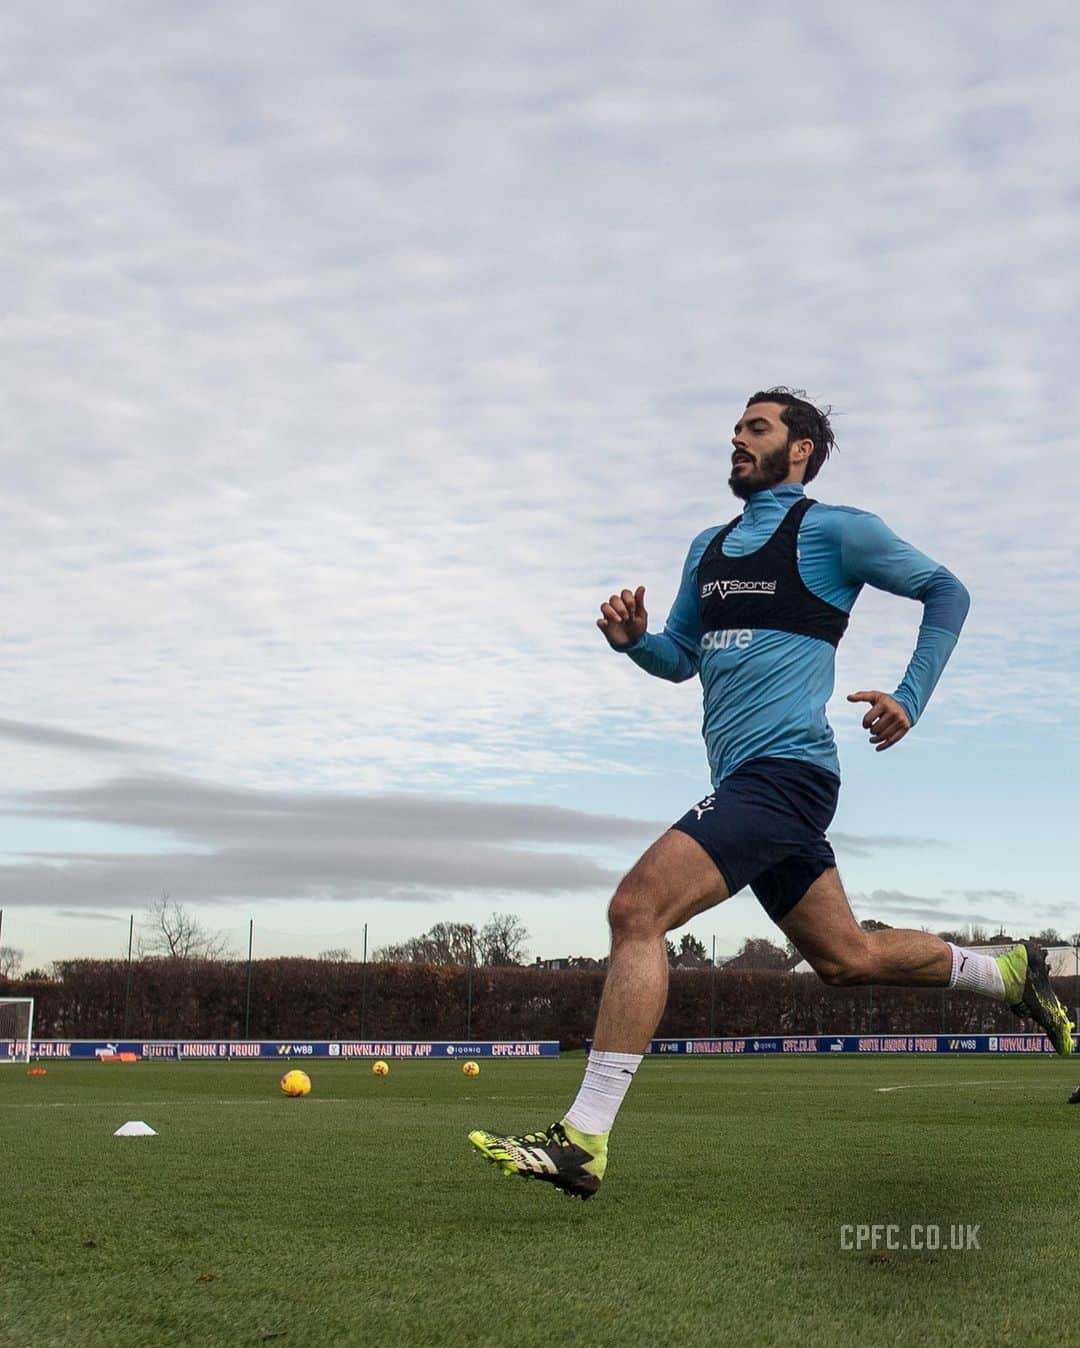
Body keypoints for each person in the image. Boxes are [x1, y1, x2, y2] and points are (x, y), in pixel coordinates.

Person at [469, 387, 1073, 1200]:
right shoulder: (708, 548)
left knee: (637, 909)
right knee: (846, 958)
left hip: (786, 774)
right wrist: (634, 643)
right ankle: (1003, 974)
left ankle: (584, 1136)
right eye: (736, 429)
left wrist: (911, 696)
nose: (736, 440)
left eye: (755, 428)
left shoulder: (833, 531)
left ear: (800, 450)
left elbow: (947, 592)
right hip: (751, 783)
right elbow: (681, 656)